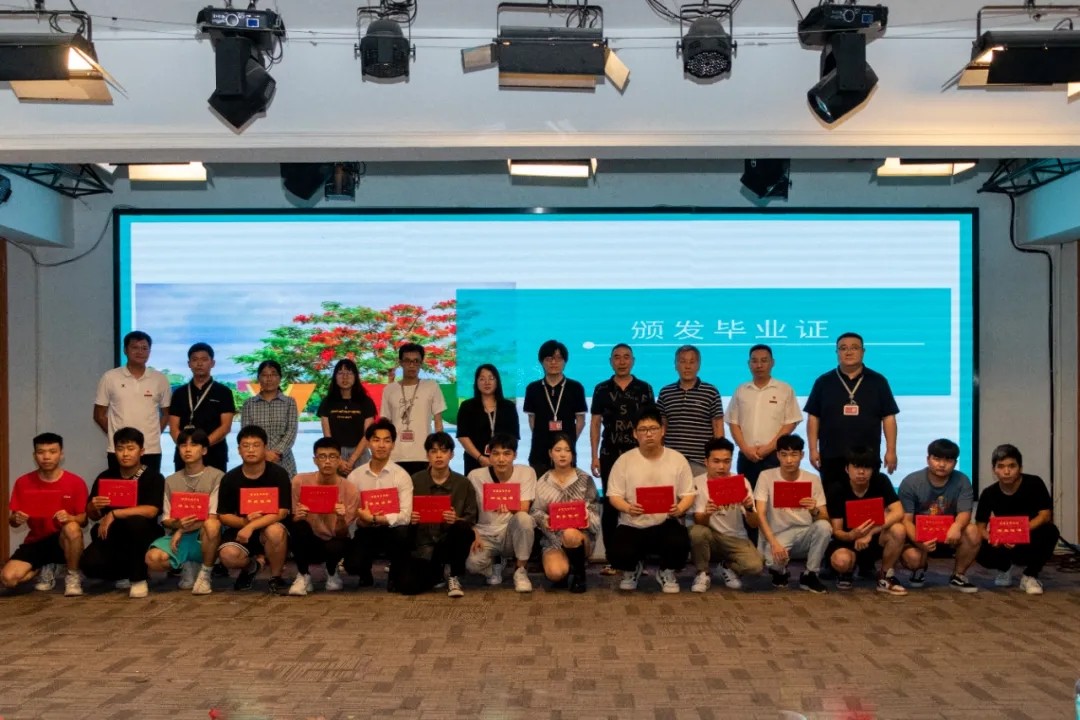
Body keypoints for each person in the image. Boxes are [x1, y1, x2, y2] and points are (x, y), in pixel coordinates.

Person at [606, 405, 695, 594]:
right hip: (633, 524)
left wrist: (680, 508)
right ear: (634, 434)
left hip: (665, 522)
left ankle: (666, 572)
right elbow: (614, 495)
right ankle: (632, 569)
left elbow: (688, 494)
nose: (648, 434)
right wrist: (628, 508)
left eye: (653, 428)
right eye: (643, 429)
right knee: (618, 551)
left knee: (680, 542)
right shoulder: (624, 461)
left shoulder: (677, 459)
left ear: (663, 430)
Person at [804, 332, 899, 494]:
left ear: (863, 351)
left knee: (866, 501)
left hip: (867, 456)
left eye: (854, 348)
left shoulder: (878, 381)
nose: (848, 352)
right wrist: (813, 449)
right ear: (837, 352)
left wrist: (891, 451)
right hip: (832, 455)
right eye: (843, 348)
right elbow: (813, 417)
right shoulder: (823, 382)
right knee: (833, 499)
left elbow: (889, 417)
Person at [589, 343, 654, 575]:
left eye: (626, 357)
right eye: (617, 357)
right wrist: (594, 456)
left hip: (639, 455)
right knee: (611, 504)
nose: (622, 361)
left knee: (640, 503)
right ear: (611, 361)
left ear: (633, 361)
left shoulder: (644, 388)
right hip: (609, 454)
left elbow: (652, 424)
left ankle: (639, 559)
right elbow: (595, 423)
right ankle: (612, 558)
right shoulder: (601, 389)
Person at [80, 427, 165, 598]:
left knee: (135, 522)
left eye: (131, 448)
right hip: (113, 535)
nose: (125, 454)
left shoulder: (153, 477)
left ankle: (139, 578)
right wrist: (93, 507)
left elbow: (151, 511)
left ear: (141, 451)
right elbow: (93, 516)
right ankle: (124, 573)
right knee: (89, 564)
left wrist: (115, 513)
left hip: (143, 534)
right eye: (120, 449)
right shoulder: (105, 476)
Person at [2, 433, 88, 597]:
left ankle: (72, 576)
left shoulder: (75, 482)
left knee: (72, 528)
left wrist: (70, 518)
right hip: (37, 540)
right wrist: (16, 519)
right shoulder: (23, 482)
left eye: (52, 451)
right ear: (34, 455)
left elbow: (83, 520)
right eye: (41, 452)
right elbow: (13, 521)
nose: (46, 457)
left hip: (63, 540)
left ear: (61, 454)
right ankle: (43, 567)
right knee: (8, 579)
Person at [144, 429, 223, 596]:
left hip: (206, 537)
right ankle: (187, 565)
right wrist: (177, 525)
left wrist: (181, 529)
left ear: (204, 450)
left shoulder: (217, 477)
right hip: (180, 538)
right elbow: (166, 519)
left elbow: (213, 516)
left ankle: (205, 573)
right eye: (183, 445)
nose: (187, 449)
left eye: (194, 445)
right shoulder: (170, 480)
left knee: (212, 525)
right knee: (153, 559)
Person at [897, 438, 981, 593]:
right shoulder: (911, 482)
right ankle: (919, 570)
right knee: (913, 559)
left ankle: (958, 575)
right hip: (920, 536)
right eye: (936, 459)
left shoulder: (962, 480)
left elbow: (965, 512)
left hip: (949, 535)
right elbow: (906, 520)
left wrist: (957, 526)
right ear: (928, 459)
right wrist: (919, 542)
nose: (942, 464)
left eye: (948, 460)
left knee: (973, 531)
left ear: (955, 463)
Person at [216, 425, 292, 594]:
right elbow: (224, 516)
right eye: (246, 445)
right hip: (242, 528)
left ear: (265, 448)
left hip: (270, 526)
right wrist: (244, 522)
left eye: (256, 445)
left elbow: (282, 512)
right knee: (228, 555)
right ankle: (252, 566)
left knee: (275, 531)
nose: (251, 450)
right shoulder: (230, 478)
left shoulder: (279, 474)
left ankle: (276, 577)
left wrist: (251, 526)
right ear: (239, 450)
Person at [975, 444, 1060, 595]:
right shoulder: (989, 493)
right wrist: (993, 538)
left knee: (1051, 531)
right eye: (1001, 466)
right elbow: (980, 527)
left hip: (1030, 537)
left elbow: (1045, 515)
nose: (1006, 471)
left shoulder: (1034, 483)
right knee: (976, 543)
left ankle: (1030, 575)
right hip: (1004, 542)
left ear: (1020, 468)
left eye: (1012, 466)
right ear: (994, 470)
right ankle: (1004, 568)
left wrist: (1018, 533)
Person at [401, 432, 477, 598]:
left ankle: (454, 574)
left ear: (451, 454)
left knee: (463, 529)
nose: (439, 456)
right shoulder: (415, 481)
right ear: (427, 455)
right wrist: (410, 518)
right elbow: (402, 511)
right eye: (434, 451)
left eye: (443, 451)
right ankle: (437, 571)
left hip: (449, 541)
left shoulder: (463, 483)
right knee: (408, 587)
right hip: (423, 544)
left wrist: (456, 519)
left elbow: (471, 518)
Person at [753, 434, 831, 593]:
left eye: (794, 454)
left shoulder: (812, 479)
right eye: (784, 455)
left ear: (802, 455)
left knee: (824, 527)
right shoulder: (766, 476)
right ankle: (780, 572)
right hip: (778, 534)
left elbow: (824, 516)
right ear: (777, 455)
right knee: (772, 561)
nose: (789, 460)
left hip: (804, 533)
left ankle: (810, 574)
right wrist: (774, 543)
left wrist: (814, 510)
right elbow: (760, 514)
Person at [825, 446, 907, 595]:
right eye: (856, 467)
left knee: (899, 530)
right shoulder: (837, 488)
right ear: (847, 469)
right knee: (841, 561)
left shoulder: (881, 481)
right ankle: (846, 572)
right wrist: (851, 535)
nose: (861, 472)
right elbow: (837, 531)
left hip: (875, 538)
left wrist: (870, 532)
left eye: (866, 467)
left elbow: (898, 511)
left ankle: (885, 576)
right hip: (848, 541)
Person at [344, 418, 414, 590]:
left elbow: (405, 516)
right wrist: (360, 521)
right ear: (368, 443)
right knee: (352, 565)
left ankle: (395, 575)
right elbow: (349, 514)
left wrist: (376, 518)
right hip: (365, 530)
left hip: (392, 530)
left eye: (387, 440)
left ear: (393, 445)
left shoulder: (401, 476)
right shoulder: (355, 476)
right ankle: (364, 572)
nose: (381, 445)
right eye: (376, 440)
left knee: (403, 533)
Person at [689, 438, 765, 593]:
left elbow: (754, 524)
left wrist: (749, 508)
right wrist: (707, 513)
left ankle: (726, 566)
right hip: (711, 536)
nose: (721, 467)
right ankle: (703, 572)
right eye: (716, 461)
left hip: (735, 538)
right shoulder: (697, 483)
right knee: (696, 532)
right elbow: (698, 521)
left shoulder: (741, 482)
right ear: (706, 462)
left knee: (755, 567)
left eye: (726, 461)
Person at [464, 433, 537, 593]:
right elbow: (468, 511)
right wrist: (474, 532)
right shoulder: (475, 476)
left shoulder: (526, 473)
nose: (501, 459)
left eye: (506, 454)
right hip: (485, 534)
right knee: (472, 565)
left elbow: (524, 508)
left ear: (515, 455)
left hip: (509, 533)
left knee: (524, 519)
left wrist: (510, 507)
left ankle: (520, 571)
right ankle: (495, 564)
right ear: (489, 455)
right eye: (496, 454)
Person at [93, 330, 171, 476]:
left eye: (144, 348)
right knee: (118, 488)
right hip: (119, 450)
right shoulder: (110, 377)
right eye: (135, 347)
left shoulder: (160, 379)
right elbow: (99, 415)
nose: (140, 352)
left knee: (150, 487)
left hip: (150, 449)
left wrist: (153, 435)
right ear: (125, 350)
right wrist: (118, 437)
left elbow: (166, 414)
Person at [288, 437, 359, 596]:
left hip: (333, 540)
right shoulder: (300, 481)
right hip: (309, 539)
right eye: (322, 456)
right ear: (315, 460)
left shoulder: (350, 489)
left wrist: (340, 518)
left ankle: (332, 570)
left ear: (339, 460)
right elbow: (291, 518)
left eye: (332, 456)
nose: (327, 461)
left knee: (337, 545)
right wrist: (297, 516)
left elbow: (342, 533)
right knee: (298, 526)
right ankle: (303, 575)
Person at [531, 433, 601, 593]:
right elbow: (535, 511)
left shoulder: (585, 479)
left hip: (580, 536)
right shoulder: (543, 481)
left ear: (573, 454)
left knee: (570, 534)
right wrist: (546, 520)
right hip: (553, 538)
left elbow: (595, 511)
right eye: (558, 450)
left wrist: (585, 516)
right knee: (555, 573)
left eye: (567, 450)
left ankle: (580, 575)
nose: (562, 454)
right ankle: (567, 568)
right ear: (550, 453)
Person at [726, 344, 802, 487]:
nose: (759, 365)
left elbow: (790, 423)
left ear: (772, 362)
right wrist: (745, 449)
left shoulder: (784, 389)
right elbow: (733, 422)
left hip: (774, 455)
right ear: (749, 364)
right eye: (754, 361)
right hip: (746, 456)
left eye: (764, 360)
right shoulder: (741, 390)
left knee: (775, 496)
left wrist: (768, 448)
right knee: (747, 496)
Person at [657, 344, 725, 477]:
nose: (687, 366)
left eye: (692, 362)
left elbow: (718, 428)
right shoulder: (665, 392)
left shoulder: (711, 391)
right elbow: (661, 428)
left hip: (701, 462)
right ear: (675, 365)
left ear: (699, 365)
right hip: (671, 462)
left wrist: (718, 459)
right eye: (682, 361)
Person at [523, 339, 588, 476]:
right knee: (540, 487)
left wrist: (569, 442)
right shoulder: (533, 388)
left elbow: (580, 421)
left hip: (566, 454)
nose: (554, 362)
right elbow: (532, 420)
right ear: (542, 361)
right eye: (549, 358)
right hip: (539, 452)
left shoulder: (575, 388)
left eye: (558, 358)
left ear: (565, 361)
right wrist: (542, 437)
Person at [381, 343, 448, 476]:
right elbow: (386, 424)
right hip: (395, 455)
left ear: (421, 363)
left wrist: (438, 452)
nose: (412, 365)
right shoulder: (389, 389)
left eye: (416, 361)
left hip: (424, 455)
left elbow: (438, 423)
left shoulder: (431, 386)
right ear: (401, 363)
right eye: (407, 361)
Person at [168, 342, 236, 472]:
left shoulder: (223, 392)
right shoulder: (179, 393)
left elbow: (225, 427)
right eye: (195, 360)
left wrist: (201, 447)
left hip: (214, 453)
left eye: (204, 359)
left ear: (212, 363)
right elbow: (173, 428)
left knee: (215, 485)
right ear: (189, 364)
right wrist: (187, 447)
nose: (199, 363)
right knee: (182, 486)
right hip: (185, 456)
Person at [456, 364, 520, 475]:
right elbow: (463, 436)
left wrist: (502, 457)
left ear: (497, 382)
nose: (487, 382)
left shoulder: (508, 406)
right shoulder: (467, 406)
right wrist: (480, 458)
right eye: (482, 379)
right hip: (475, 461)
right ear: (476, 382)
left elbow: (514, 436)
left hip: (502, 462)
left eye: (491, 378)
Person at [318, 358, 377, 476]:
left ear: (355, 377)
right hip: (335, 454)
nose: (345, 377)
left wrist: (351, 460)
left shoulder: (366, 402)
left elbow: (367, 435)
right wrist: (339, 460)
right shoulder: (327, 402)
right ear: (335, 377)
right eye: (340, 373)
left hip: (360, 453)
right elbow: (327, 435)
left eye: (349, 373)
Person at [240, 360, 298, 478]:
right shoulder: (249, 404)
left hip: (284, 461)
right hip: (256, 461)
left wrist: (276, 453)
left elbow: (291, 431)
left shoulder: (289, 402)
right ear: (259, 378)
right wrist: (263, 454)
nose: (269, 379)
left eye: (273, 374)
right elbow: (246, 433)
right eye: (265, 375)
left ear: (280, 378)